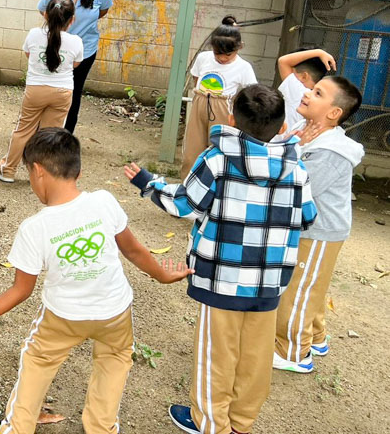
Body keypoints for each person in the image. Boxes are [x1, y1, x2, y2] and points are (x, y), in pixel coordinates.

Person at [0, 128, 193, 434]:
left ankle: (16, 429)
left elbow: (22, 290)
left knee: (37, 361)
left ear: (37, 172)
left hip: (63, 317)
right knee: (113, 364)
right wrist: (165, 275)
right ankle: (102, 428)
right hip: (115, 311)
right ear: (78, 171)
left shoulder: (35, 228)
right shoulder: (104, 201)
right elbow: (134, 250)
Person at [124, 84, 317, 434]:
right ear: (282, 126)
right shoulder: (297, 168)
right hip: (270, 280)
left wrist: (148, 183)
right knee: (256, 355)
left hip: (222, 278)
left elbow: (184, 203)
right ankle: (242, 422)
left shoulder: (217, 159)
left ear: (231, 118)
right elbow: (307, 217)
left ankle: (211, 423)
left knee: (217, 352)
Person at [273, 77, 363, 373]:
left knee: (299, 289)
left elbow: (300, 188)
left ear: (334, 113)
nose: (308, 94)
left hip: (318, 230)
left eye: (318, 93)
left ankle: (293, 352)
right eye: (312, 90)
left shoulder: (330, 150)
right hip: (310, 228)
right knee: (312, 285)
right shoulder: (304, 129)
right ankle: (316, 336)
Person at [0, 0, 83, 183]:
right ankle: (45, 176)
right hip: (63, 93)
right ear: (72, 19)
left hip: (35, 90)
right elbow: (75, 64)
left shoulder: (34, 34)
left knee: (23, 130)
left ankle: (8, 170)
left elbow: (28, 54)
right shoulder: (77, 41)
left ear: (46, 15)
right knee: (51, 135)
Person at [37, 0, 113, 134]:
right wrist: (58, 30)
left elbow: (103, 11)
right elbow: (43, 10)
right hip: (56, 47)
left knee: (73, 91)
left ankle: (65, 135)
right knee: (50, 89)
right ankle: (42, 132)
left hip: (85, 49)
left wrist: (83, 26)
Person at [181, 22, 257, 179]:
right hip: (200, 103)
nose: (222, 58)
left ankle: (215, 189)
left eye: (228, 54)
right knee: (191, 152)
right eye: (217, 53)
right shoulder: (203, 58)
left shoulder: (244, 67)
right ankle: (187, 187)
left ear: (239, 47)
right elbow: (196, 79)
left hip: (224, 109)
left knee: (219, 152)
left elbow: (251, 92)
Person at [275, 48, 335, 132]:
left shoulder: (300, 93)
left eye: (292, 73)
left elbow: (283, 61)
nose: (288, 76)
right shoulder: (320, 102)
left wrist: (319, 52)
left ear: (304, 76)